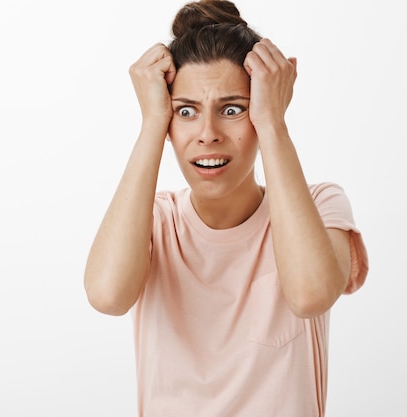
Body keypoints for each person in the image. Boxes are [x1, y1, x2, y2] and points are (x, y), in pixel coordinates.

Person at [83, 0, 369, 416]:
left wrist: (274, 123)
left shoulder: (321, 204)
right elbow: (107, 296)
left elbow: (310, 296)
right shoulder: (155, 221)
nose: (208, 134)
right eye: (186, 112)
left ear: (259, 110)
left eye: (232, 109)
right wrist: (150, 124)